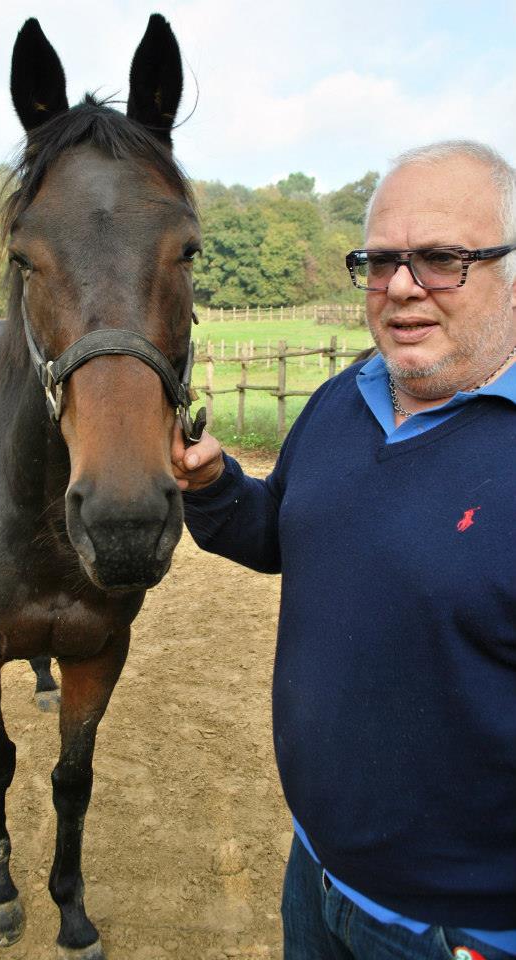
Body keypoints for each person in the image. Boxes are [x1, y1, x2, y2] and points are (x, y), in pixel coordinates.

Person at [171, 140, 516, 960]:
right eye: (381, 260)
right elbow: (282, 533)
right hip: (316, 872)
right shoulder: (342, 398)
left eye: (440, 260)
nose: (401, 286)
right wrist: (216, 482)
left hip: (456, 933)